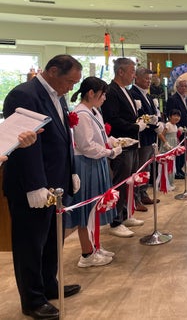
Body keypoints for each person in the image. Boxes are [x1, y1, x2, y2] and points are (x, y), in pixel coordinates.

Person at [3, 54, 82, 319]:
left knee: (51, 239)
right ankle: (32, 299)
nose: (71, 88)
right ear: (53, 71)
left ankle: (49, 284)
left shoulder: (58, 96)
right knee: (30, 244)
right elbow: (25, 145)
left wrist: (71, 171)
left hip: (56, 183)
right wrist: (35, 185)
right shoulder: (24, 95)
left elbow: (63, 138)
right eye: (69, 82)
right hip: (32, 186)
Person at [68, 77, 122, 268]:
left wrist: (114, 142)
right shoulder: (81, 114)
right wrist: (110, 152)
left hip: (96, 161)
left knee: (96, 207)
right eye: (103, 94)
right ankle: (87, 253)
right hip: (86, 164)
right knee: (87, 210)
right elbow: (86, 146)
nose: (105, 98)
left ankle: (95, 245)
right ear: (91, 93)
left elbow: (101, 137)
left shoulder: (93, 111)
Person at [101, 57, 145, 238]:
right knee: (120, 181)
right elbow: (112, 119)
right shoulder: (111, 91)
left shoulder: (125, 90)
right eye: (132, 71)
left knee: (129, 180)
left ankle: (125, 214)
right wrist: (134, 127)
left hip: (132, 142)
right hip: (121, 143)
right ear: (120, 72)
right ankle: (115, 220)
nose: (134, 75)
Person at [130, 67, 164, 210]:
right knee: (140, 167)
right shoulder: (133, 93)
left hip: (151, 137)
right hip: (142, 136)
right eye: (146, 79)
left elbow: (155, 113)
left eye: (150, 79)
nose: (149, 82)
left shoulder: (148, 95)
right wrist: (153, 123)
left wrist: (159, 122)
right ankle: (136, 198)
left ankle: (143, 193)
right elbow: (140, 115)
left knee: (147, 167)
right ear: (137, 78)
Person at [166, 79, 187, 179]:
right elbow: (170, 114)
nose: (184, 88)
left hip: (186, 129)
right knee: (178, 151)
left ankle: (180, 169)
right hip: (178, 130)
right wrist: (178, 127)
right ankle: (176, 171)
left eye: (186, 86)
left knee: (183, 151)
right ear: (177, 87)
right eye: (182, 86)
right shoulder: (173, 99)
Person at [158, 109, 182, 191]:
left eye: (178, 116)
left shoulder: (175, 126)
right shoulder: (168, 125)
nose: (177, 117)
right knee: (166, 166)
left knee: (171, 165)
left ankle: (170, 183)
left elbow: (175, 137)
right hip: (167, 148)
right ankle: (165, 184)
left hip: (173, 148)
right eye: (174, 115)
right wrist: (166, 143)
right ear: (170, 117)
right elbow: (161, 135)